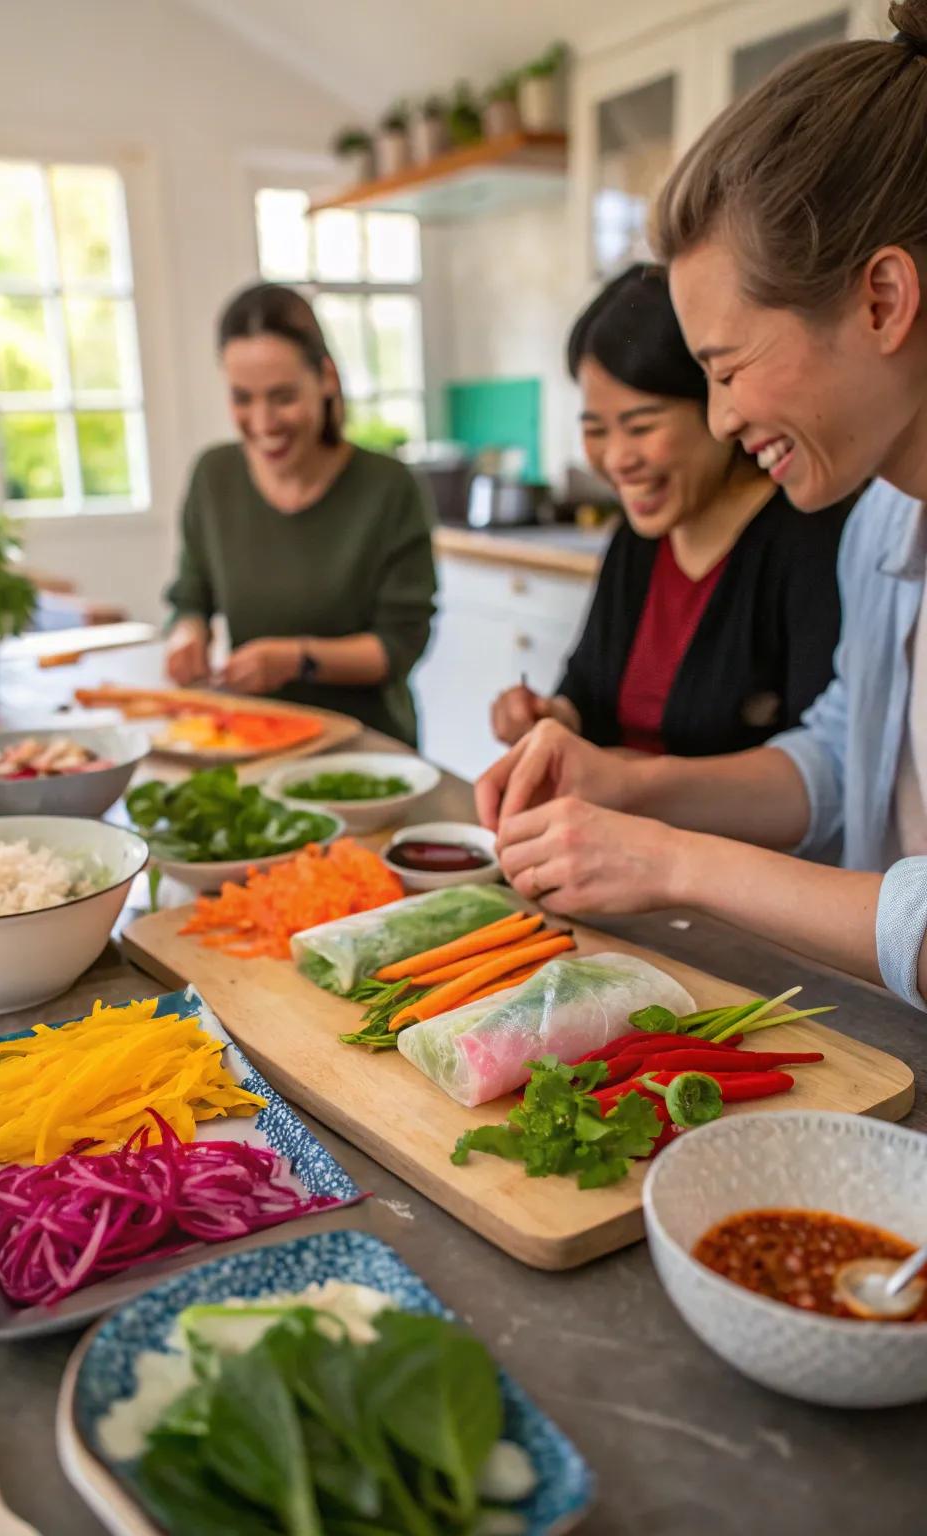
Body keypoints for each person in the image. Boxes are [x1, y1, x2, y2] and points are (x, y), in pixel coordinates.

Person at [476, 2, 927, 1012]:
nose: (718, 419)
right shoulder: (883, 527)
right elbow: (837, 760)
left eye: (725, 369)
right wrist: (622, 785)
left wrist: (673, 861)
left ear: (883, 302)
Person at [491, 266, 848, 755]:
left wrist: (625, 779)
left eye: (641, 427)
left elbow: (820, 775)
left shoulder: (809, 540)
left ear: (718, 403)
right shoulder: (636, 539)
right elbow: (588, 692)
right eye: (595, 430)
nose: (616, 459)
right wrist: (552, 718)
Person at [164, 283, 436, 746]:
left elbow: (399, 646)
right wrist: (187, 637)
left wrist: (296, 660)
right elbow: (191, 597)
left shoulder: (389, 488)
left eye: (283, 396)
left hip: (367, 749)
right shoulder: (214, 476)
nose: (263, 422)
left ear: (326, 378)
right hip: (253, 743)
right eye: (242, 398)